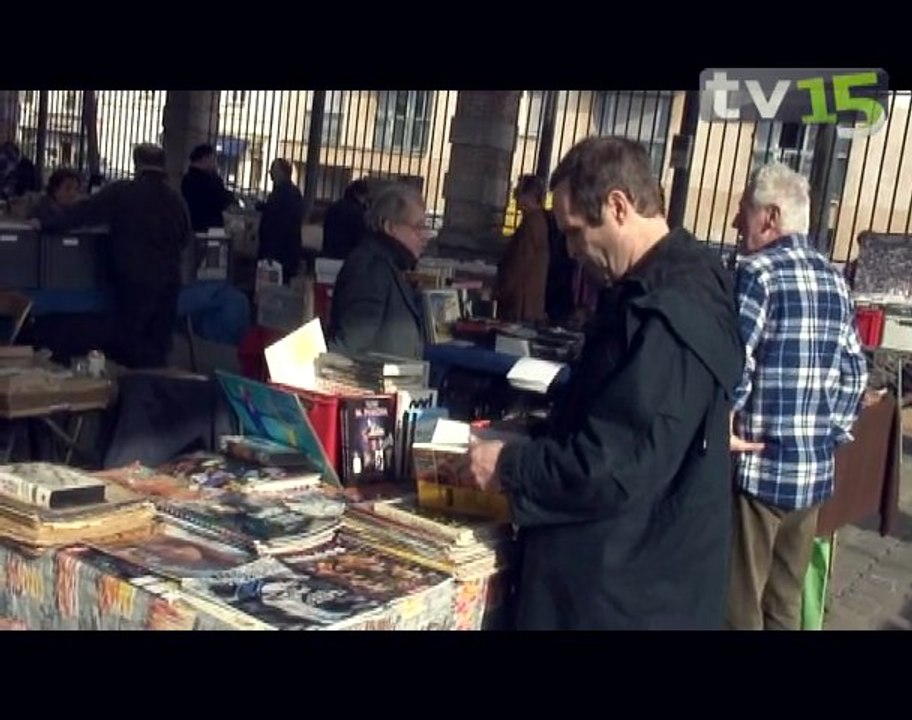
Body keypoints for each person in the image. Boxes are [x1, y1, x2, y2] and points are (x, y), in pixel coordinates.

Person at [468, 137, 744, 630]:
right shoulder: (680, 280)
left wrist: (512, 466)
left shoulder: (667, 308)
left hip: (623, 591)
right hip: (639, 578)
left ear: (618, 206)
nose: (573, 252)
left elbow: (615, 464)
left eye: (575, 233)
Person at [726, 163, 868, 631]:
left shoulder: (758, 273)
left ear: (769, 217)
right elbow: (853, 371)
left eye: (743, 211)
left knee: (738, 607)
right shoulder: (834, 280)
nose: (735, 223)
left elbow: (737, 362)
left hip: (760, 470)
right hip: (811, 474)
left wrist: (726, 422)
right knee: (784, 605)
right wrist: (831, 434)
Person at [37, 144, 193, 369]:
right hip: (169, 278)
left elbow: (84, 214)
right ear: (163, 166)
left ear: (137, 164)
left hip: (133, 276)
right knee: (158, 340)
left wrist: (46, 224)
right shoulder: (176, 199)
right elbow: (185, 237)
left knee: (130, 337)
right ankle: (156, 386)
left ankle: (132, 390)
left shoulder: (122, 192)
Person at [329, 183, 429, 360]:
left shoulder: (390, 264)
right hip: (372, 384)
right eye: (418, 228)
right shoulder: (372, 269)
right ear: (390, 227)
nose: (424, 236)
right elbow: (349, 346)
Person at [495, 174, 550, 323]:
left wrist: (500, 291)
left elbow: (519, 264)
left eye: (518, 192)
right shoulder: (539, 221)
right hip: (530, 304)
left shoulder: (531, 224)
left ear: (530, 196)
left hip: (522, 306)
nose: (514, 197)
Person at [257, 158, 304, 284]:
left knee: (273, 285)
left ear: (282, 172)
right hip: (284, 251)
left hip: (278, 251)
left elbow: (277, 224)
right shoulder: (291, 193)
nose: (270, 173)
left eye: (273, 170)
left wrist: (270, 250)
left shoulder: (283, 194)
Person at [181, 143, 235, 233]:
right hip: (211, 227)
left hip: (192, 227)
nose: (214, 163)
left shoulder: (187, 179)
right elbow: (221, 199)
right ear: (205, 159)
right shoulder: (209, 181)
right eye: (213, 159)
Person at [322, 179, 370, 260]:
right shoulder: (359, 212)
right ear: (360, 195)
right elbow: (360, 236)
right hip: (348, 256)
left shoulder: (334, 207)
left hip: (329, 254)